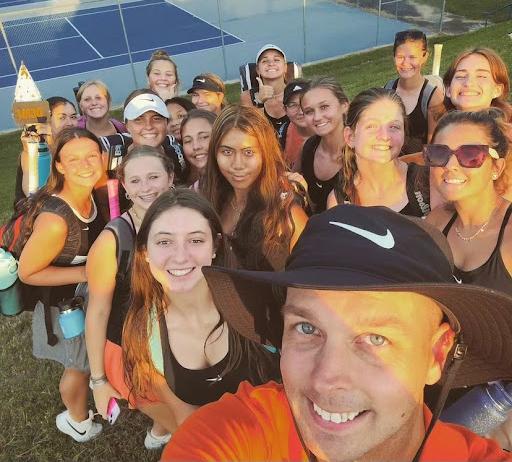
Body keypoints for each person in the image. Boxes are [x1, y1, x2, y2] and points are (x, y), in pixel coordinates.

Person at [162, 204, 512, 462]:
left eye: (376, 338)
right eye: (307, 328)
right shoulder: (243, 435)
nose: (327, 379)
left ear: (437, 355)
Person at [121, 189, 279, 445]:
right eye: (164, 242)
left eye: (195, 240)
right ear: (144, 252)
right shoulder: (144, 330)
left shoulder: (256, 307)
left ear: (215, 246)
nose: (181, 256)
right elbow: (185, 418)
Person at [16, 127, 105, 442]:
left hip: (86, 297)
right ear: (60, 166)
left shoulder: (92, 192)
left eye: (92, 156)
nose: (85, 164)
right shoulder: (55, 220)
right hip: (65, 307)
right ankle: (77, 421)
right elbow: (28, 272)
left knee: (87, 359)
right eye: (74, 159)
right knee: (79, 364)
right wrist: (87, 274)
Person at [85, 146, 174, 449]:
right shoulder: (113, 240)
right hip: (132, 351)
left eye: (153, 177)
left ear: (171, 177)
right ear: (123, 186)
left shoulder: (186, 221)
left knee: (180, 404)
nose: (145, 188)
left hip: (178, 339)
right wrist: (98, 381)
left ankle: (160, 432)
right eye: (134, 181)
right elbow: (97, 313)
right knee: (193, 425)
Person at [201, 104, 308, 270]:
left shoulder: (285, 212)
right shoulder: (210, 201)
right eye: (227, 152)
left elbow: (309, 277)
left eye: (248, 152)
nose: (237, 165)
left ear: (265, 153)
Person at [327, 88, 432, 217]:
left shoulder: (427, 182)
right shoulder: (339, 202)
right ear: (350, 137)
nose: (384, 136)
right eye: (372, 126)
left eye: (394, 127)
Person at [98, 89, 186, 184]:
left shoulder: (178, 156)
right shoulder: (111, 161)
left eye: (156, 118)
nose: (148, 126)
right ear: (126, 125)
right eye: (138, 119)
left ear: (166, 123)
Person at [385, 29, 444, 155]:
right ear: (393, 57)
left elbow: (435, 148)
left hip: (417, 171)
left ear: (424, 56)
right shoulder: (388, 89)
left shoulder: (432, 97)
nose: (406, 63)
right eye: (400, 57)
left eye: (412, 57)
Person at [298, 76, 349, 213]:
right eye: (309, 111)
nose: (317, 117)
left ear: (344, 105)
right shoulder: (309, 148)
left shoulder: (362, 151)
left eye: (324, 107)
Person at [16, 96, 79, 202]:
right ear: (47, 122)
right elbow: (33, 193)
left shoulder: (78, 146)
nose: (70, 123)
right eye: (62, 117)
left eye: (73, 117)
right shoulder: (35, 151)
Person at [240, 44, 289, 132]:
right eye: (265, 61)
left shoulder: (296, 93)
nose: (271, 63)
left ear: (285, 67)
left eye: (276, 60)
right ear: (258, 70)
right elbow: (250, 131)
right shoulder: (248, 97)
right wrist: (259, 103)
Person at [277, 79, 314, 170]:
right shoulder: (280, 137)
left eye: (305, 103)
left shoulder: (331, 132)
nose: (301, 111)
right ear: (285, 110)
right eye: (293, 105)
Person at [180, 109, 216, 187]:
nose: (196, 146)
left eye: (204, 137)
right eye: (188, 141)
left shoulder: (240, 180)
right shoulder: (192, 193)